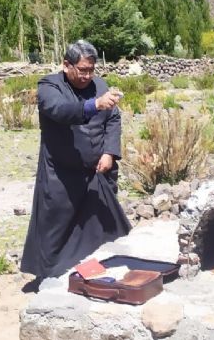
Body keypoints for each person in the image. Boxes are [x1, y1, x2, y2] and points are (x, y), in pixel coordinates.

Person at [20, 40, 132, 282]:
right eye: (82, 70)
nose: (87, 76)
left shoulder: (98, 84)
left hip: (96, 172)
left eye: (91, 70)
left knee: (100, 225)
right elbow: (61, 110)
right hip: (61, 173)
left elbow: (113, 119)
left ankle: (96, 269)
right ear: (66, 65)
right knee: (57, 228)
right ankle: (52, 276)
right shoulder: (49, 86)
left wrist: (109, 152)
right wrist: (94, 105)